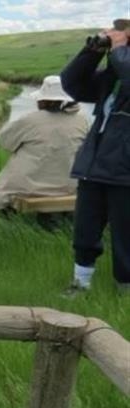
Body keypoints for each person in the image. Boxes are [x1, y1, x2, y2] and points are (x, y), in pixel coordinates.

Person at [60, 19, 130, 295]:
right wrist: (93, 51)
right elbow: (72, 84)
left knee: (126, 234)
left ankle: (125, 290)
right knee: (85, 229)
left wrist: (119, 49)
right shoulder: (114, 76)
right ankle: (81, 283)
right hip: (95, 163)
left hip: (125, 170)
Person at [0, 76, 88, 214]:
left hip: (29, 188)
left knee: (4, 190)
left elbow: (6, 143)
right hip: (70, 186)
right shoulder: (82, 121)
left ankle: (0, 216)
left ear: (45, 100)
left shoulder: (30, 120)